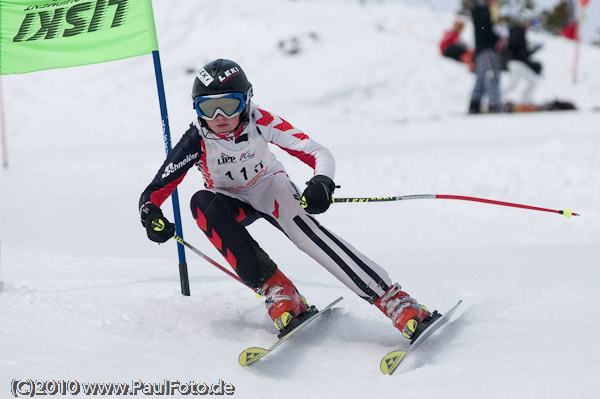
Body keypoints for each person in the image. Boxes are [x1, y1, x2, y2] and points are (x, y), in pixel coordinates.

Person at [138, 59, 433, 340]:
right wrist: (151, 215)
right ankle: (280, 290)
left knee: (309, 236)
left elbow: (318, 152)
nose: (220, 118)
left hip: (269, 187)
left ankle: (395, 300)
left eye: (229, 106)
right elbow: (155, 190)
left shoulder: (260, 120)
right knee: (201, 204)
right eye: (208, 108)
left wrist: (322, 182)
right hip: (230, 199)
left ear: (246, 101)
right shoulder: (196, 138)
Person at [468, 0, 507, 114]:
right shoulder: (482, 11)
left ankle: (474, 105)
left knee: (481, 78)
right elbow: (485, 31)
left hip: (482, 51)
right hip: (487, 50)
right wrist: (498, 38)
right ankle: (494, 105)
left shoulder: (480, 10)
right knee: (491, 75)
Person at [502, 19, 543, 106]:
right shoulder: (519, 30)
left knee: (517, 82)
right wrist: (531, 49)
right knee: (530, 81)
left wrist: (531, 50)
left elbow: (521, 50)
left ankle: (498, 99)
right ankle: (524, 101)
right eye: (531, 23)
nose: (530, 26)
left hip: (515, 61)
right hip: (515, 61)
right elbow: (518, 47)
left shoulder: (519, 31)